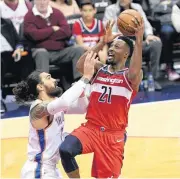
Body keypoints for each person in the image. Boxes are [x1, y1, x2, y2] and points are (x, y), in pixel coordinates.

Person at [59, 19, 144, 178]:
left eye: (116, 47)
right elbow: (80, 65)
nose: (111, 49)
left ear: (126, 54)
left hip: (113, 136)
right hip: (91, 128)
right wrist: (102, 42)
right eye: (111, 46)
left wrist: (138, 41)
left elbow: (135, 71)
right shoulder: (100, 69)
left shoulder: (130, 76)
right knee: (65, 150)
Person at [13, 53, 97, 179]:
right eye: (49, 78)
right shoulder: (38, 109)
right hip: (39, 170)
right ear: (40, 86)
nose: (55, 80)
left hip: (51, 169)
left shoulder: (54, 104)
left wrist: (81, 94)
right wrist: (85, 78)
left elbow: (82, 108)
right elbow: (64, 102)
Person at [103, 0, 162, 90]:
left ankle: (154, 78)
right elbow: (108, 30)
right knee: (124, 47)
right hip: (122, 42)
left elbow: (145, 24)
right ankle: (126, 81)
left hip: (139, 42)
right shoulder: (110, 9)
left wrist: (149, 35)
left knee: (156, 43)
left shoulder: (137, 7)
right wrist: (123, 34)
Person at [24, 0, 84, 86]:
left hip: (61, 51)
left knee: (78, 49)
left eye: (44, 0)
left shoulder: (57, 13)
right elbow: (34, 35)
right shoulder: (29, 16)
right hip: (41, 52)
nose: (42, 3)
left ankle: (79, 83)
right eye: (39, 0)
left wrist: (43, 35)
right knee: (41, 52)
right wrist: (52, 29)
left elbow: (66, 32)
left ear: (48, 1)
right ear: (34, 1)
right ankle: (44, 85)